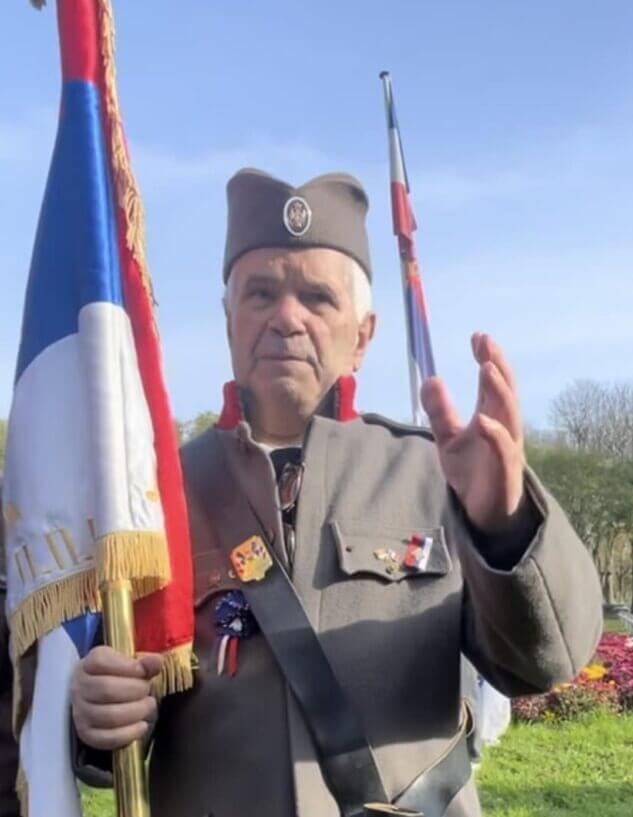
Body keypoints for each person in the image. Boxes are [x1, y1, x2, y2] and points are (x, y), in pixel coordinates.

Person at [2, 170, 602, 817]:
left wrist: (504, 524)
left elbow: (544, 660)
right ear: (228, 319)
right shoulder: (155, 495)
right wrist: (100, 715)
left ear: (362, 335)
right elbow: (117, 696)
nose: (286, 318)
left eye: (317, 298)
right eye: (261, 293)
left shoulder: (434, 471)